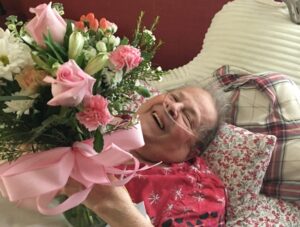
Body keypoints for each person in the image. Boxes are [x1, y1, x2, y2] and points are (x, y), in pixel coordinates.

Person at [63, 85, 227, 227]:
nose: (173, 107)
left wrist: (114, 207)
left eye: (188, 117)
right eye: (174, 97)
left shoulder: (199, 192)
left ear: (192, 152)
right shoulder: (92, 119)